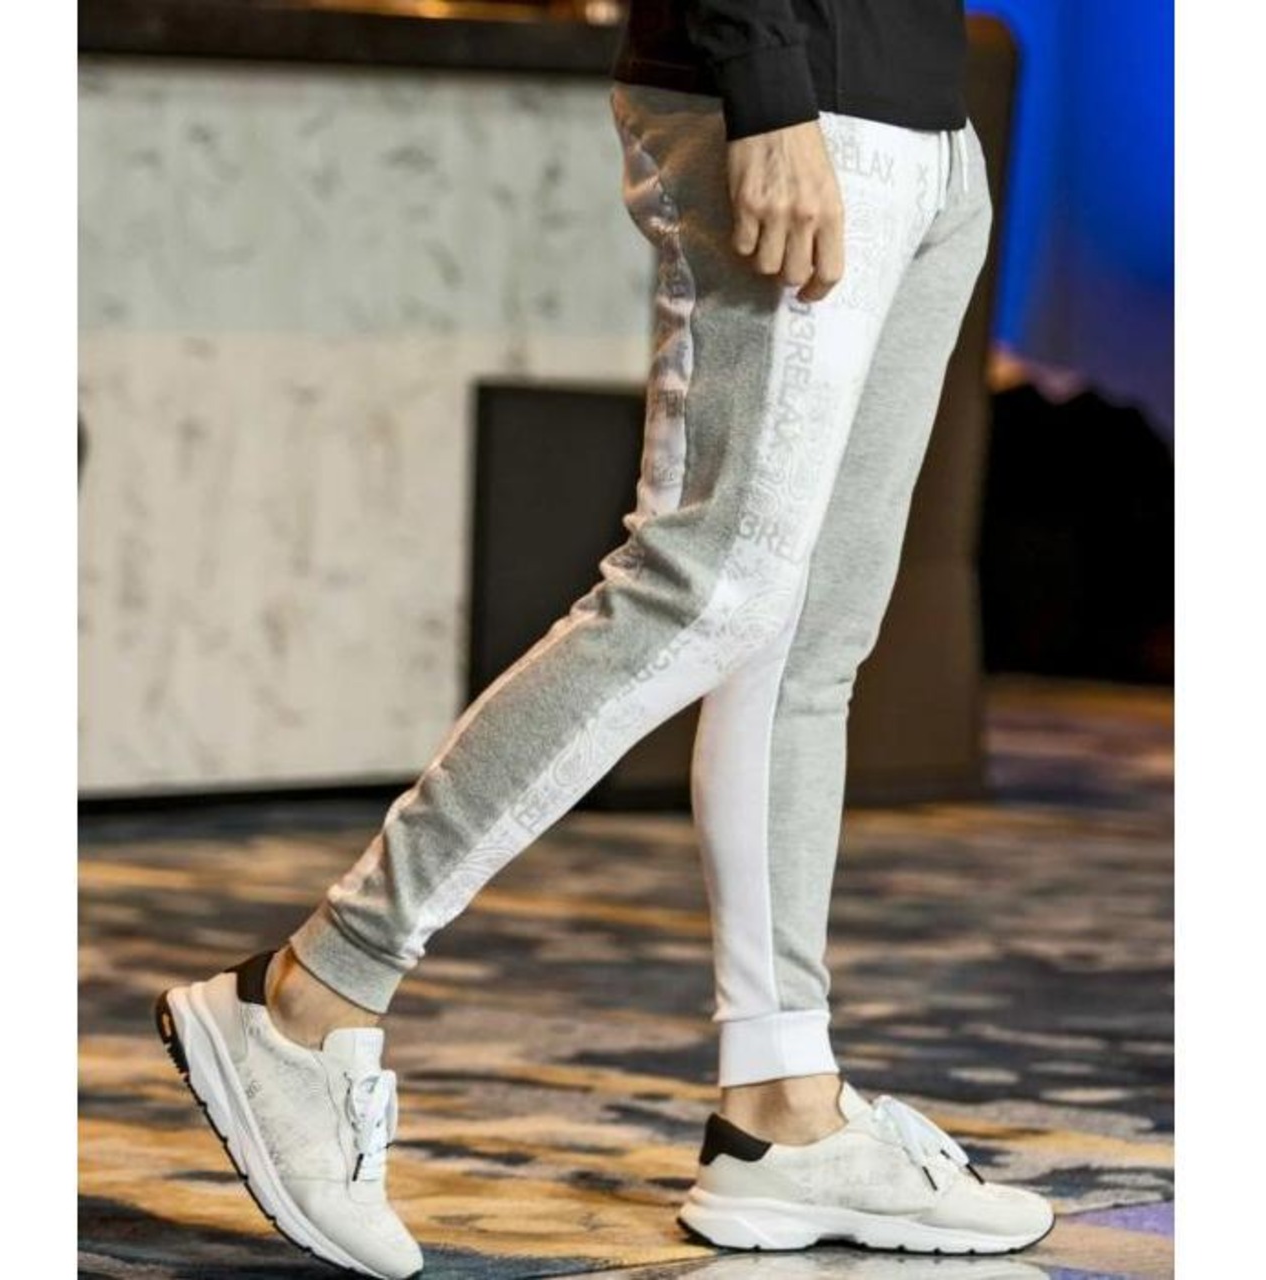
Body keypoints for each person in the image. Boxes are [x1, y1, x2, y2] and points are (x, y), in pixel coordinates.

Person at [154, 2, 1055, 1275]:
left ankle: (781, 1107)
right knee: (704, 581)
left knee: (804, 641)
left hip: (924, 116)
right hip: (795, 90)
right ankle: (308, 995)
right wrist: (766, 83)